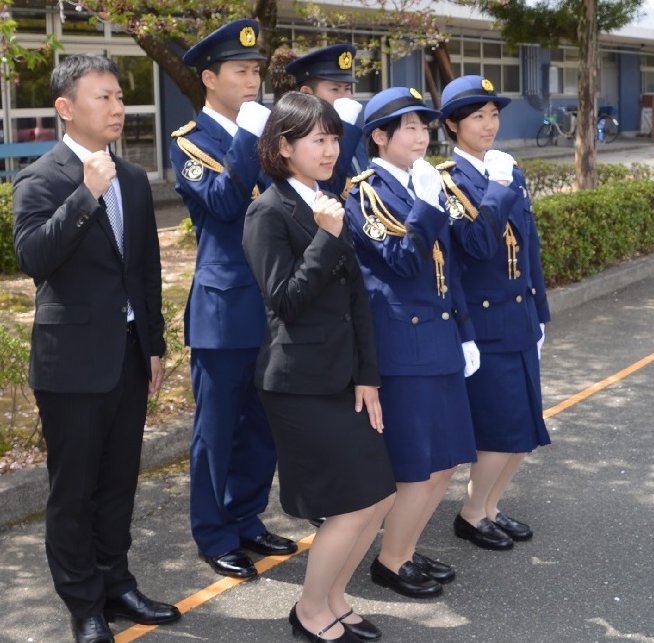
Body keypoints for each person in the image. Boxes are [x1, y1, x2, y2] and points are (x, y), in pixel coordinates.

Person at [12, 55, 180, 643]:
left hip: (130, 355)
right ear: (66, 107)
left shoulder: (132, 179)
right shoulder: (40, 180)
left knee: (117, 485)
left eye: (119, 97)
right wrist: (84, 197)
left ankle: (118, 584)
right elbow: (34, 259)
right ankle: (83, 604)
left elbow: (146, 271)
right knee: (73, 490)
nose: (118, 108)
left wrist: (154, 346)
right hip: (72, 365)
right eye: (103, 97)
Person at [243, 91, 396, 642]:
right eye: (318, 140)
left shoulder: (327, 199)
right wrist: (327, 237)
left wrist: (368, 376)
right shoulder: (268, 210)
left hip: (343, 376)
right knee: (353, 503)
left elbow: (357, 300)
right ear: (284, 147)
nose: (331, 149)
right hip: (298, 383)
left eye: (334, 138)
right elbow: (285, 300)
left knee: (380, 492)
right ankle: (310, 611)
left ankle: (334, 597)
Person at [169, 19, 297, 580]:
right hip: (223, 310)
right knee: (216, 431)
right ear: (209, 77)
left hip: (271, 301)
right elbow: (222, 204)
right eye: (241, 71)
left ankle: (246, 518)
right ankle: (214, 532)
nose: (253, 81)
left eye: (256, 71)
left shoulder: (265, 131)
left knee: (262, 425)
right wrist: (249, 136)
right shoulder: (190, 141)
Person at [344, 87, 480, 599]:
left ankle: (406, 544)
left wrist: (465, 331)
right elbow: (400, 261)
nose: (422, 136)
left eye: (425, 127)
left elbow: (451, 271)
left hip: (441, 338)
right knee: (416, 464)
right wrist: (425, 205)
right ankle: (391, 559)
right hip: (405, 345)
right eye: (410, 128)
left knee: (445, 460)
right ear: (379, 137)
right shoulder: (365, 193)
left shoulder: (423, 184)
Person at [438, 75, 551, 550]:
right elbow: (478, 244)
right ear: (452, 124)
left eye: (493, 114)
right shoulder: (448, 180)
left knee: (524, 429)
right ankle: (470, 512)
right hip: (484, 325)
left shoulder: (507, 171)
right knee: (498, 431)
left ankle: (489, 507)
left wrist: (542, 311)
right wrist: (500, 186)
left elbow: (530, 250)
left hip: (520, 317)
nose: (489, 125)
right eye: (477, 116)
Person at [286, 44, 367, 197]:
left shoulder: (352, 132)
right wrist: (344, 128)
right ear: (307, 93)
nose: (345, 98)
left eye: (348, 89)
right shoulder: (299, 141)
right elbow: (328, 188)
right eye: (335, 90)